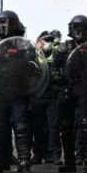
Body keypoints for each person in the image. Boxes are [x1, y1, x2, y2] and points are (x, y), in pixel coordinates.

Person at [0, 10, 34, 173]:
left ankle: (24, 163)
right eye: (0, 24)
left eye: (5, 23)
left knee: (21, 126)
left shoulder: (25, 46)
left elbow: (31, 68)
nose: (2, 27)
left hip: (18, 91)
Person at [52, 14, 87, 173]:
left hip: (85, 89)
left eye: (82, 28)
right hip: (67, 89)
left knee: (86, 124)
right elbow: (54, 65)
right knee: (65, 126)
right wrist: (56, 76)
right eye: (76, 28)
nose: (79, 31)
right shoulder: (64, 47)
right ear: (71, 29)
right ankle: (69, 162)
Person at [31, 30, 60, 165]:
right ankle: (38, 154)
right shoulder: (34, 55)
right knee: (38, 126)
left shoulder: (57, 54)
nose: (48, 43)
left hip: (52, 94)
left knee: (53, 127)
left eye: (50, 41)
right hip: (38, 94)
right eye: (45, 41)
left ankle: (54, 154)